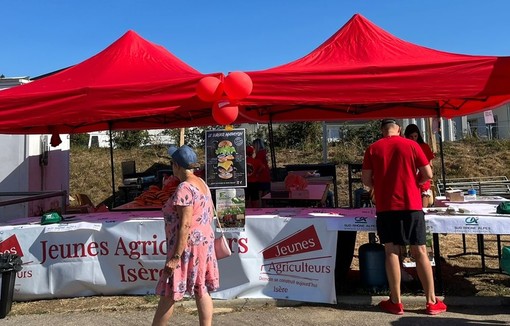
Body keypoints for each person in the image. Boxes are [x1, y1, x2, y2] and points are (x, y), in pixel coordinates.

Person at [361, 119, 446, 316]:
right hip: (411, 204)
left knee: (391, 251)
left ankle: (395, 301)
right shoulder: (412, 145)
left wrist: (380, 184)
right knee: (420, 251)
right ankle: (431, 302)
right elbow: (428, 173)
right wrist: (415, 182)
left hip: (386, 206)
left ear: (382, 131)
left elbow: (366, 180)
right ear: (399, 129)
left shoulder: (373, 148)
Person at [152, 145, 220, 326]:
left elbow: (185, 224)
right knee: (201, 288)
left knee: (169, 291)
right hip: (203, 244)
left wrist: (175, 256)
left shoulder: (184, 188)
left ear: (176, 165)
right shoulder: (202, 183)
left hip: (186, 247)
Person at [404, 124, 435, 208]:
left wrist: (428, 174)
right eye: (411, 136)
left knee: (424, 194)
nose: (414, 138)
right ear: (407, 136)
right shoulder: (404, 147)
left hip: (422, 175)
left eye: (415, 136)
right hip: (409, 176)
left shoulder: (424, 147)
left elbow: (430, 163)